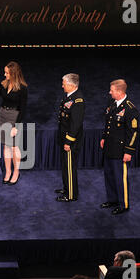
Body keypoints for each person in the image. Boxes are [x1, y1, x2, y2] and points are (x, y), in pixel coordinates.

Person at [100, 79, 139, 215]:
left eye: (112, 90)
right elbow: (108, 123)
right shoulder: (112, 104)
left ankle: (123, 204)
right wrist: (104, 137)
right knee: (109, 175)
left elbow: (133, 133)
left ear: (120, 92)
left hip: (121, 151)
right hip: (110, 148)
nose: (109, 92)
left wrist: (128, 151)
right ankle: (112, 199)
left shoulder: (130, 109)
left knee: (120, 178)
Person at [55, 73, 85, 202]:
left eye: (64, 83)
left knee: (69, 166)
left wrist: (68, 141)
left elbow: (75, 124)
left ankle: (71, 194)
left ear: (72, 85)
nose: (62, 86)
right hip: (64, 136)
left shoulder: (77, 101)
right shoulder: (69, 97)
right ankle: (67, 187)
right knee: (65, 165)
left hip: (70, 140)